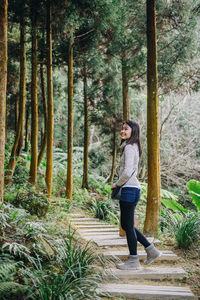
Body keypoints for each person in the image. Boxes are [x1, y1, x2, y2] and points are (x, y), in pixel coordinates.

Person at [111, 120, 161, 270]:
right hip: (132, 190)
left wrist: (116, 184)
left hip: (129, 190)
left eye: (126, 129)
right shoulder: (132, 147)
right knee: (127, 225)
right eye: (122, 129)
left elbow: (126, 172)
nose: (122, 131)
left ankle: (133, 260)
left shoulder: (129, 148)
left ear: (133, 131)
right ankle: (151, 250)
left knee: (127, 225)